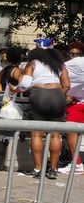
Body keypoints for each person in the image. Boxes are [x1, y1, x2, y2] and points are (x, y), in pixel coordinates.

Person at [15, 38, 70, 179]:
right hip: (57, 96)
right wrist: (59, 95)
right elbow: (67, 85)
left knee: (36, 134)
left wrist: (15, 89)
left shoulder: (32, 64)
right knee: (55, 134)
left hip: (39, 95)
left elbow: (25, 85)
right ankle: (52, 169)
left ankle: (38, 169)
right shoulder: (60, 65)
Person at [60, 42, 84, 174]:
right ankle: (76, 163)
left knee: (71, 130)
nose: (73, 56)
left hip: (78, 105)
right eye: (72, 53)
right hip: (78, 102)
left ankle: (77, 163)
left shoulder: (69, 65)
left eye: (76, 54)